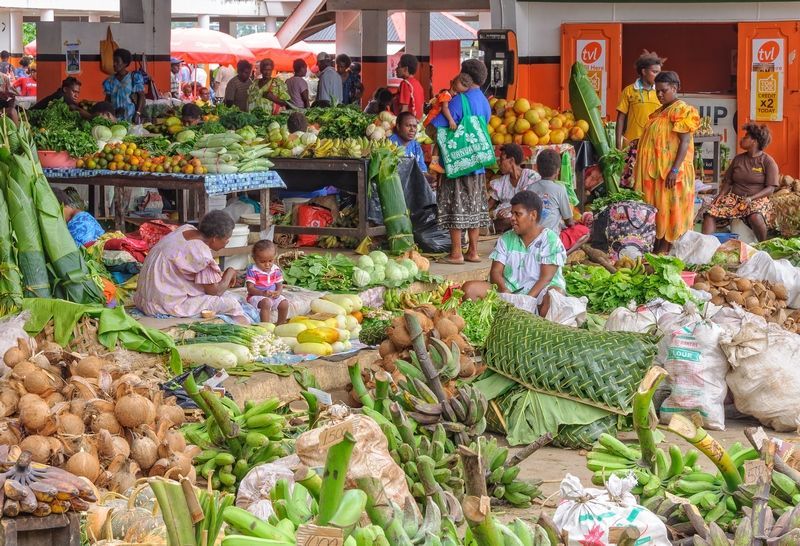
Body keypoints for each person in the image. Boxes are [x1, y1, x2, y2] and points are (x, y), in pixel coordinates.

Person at [461, 191, 567, 317]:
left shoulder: (550, 239)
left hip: (539, 295)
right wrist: (505, 291)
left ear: (533, 215)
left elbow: (545, 279)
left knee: (554, 296)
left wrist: (526, 301)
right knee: (470, 289)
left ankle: (541, 328)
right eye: (512, 213)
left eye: (518, 214)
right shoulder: (506, 239)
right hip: (510, 294)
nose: (512, 218)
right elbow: (495, 272)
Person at [134, 210, 248, 324]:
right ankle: (246, 328)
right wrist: (230, 272)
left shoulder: (186, 228)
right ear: (215, 238)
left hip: (144, 299)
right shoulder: (201, 254)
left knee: (230, 295)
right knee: (232, 304)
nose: (227, 241)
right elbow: (215, 292)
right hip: (162, 306)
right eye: (226, 239)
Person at [430, 59, 492, 264]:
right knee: (474, 206)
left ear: (464, 76)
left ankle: (456, 253)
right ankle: (473, 252)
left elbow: (438, 129)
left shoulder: (458, 101)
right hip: (478, 164)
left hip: (458, 163)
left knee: (455, 204)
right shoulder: (484, 101)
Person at [635, 70, 700, 253]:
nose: (660, 94)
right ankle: (657, 244)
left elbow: (685, 141)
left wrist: (675, 170)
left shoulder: (681, 109)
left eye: (664, 90)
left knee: (671, 210)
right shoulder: (660, 112)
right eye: (657, 91)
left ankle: (666, 248)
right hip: (656, 173)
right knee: (657, 209)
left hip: (671, 174)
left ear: (675, 88)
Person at [702, 123, 779, 241]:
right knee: (709, 213)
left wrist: (751, 198)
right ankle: (705, 245)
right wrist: (721, 195)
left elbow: (770, 189)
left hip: (757, 199)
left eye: (746, 137)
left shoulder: (767, 161)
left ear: (754, 141)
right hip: (735, 198)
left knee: (755, 217)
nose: (742, 139)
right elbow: (728, 182)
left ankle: (763, 245)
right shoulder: (738, 159)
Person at [617, 51, 664, 188]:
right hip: (631, 145)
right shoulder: (629, 91)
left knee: (650, 182)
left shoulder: (661, 92)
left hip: (655, 145)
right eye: (654, 72)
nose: (658, 76)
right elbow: (620, 118)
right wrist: (618, 145)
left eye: (659, 72)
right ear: (643, 71)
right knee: (630, 182)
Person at [529, 149, 590, 253]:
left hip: (531, 238)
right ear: (558, 170)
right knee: (586, 232)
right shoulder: (560, 188)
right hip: (551, 240)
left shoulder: (530, 188)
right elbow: (569, 222)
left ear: (537, 169)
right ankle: (563, 255)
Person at [488, 143, 541, 233]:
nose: (499, 163)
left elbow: (532, 200)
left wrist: (510, 209)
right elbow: (489, 204)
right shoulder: (501, 181)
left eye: (501, 160)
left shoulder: (530, 176)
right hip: (502, 217)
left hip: (521, 212)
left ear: (512, 160)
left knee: (515, 217)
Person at [246, 240, 289, 325]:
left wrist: (278, 292)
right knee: (266, 302)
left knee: (284, 303)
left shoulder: (275, 269)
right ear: (254, 259)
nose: (267, 265)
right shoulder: (253, 270)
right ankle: (266, 327)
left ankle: (280, 324)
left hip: (272, 296)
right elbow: (250, 288)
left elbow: (279, 284)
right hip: (256, 297)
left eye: (270, 261)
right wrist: (262, 293)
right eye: (262, 262)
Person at [103, 48, 145, 122]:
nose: (114, 64)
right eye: (114, 61)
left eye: (117, 61)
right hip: (115, 117)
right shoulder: (109, 81)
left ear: (125, 63)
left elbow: (141, 96)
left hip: (131, 117)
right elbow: (108, 100)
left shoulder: (134, 78)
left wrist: (138, 113)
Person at [394, 54, 425, 120]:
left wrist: (398, 124)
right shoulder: (418, 84)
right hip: (417, 123)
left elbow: (404, 109)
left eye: (398, 66)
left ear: (405, 69)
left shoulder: (405, 83)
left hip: (408, 123)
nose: (395, 69)